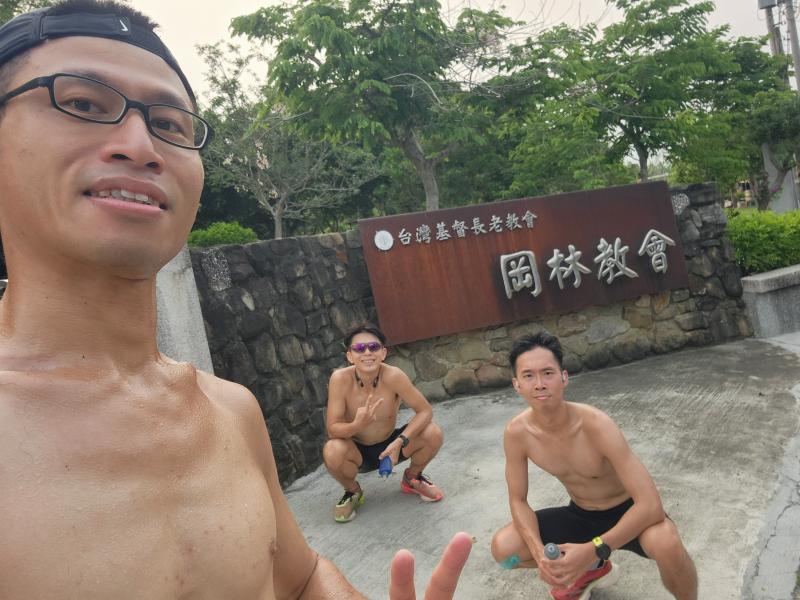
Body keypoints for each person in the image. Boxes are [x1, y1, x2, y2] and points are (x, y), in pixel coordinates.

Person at [0, 2, 471, 598]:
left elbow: (300, 580)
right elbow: (336, 430)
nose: (141, 145)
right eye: (83, 104)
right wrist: (357, 428)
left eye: (170, 124)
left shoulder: (229, 409)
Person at [490, 332, 698, 600]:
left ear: (564, 377)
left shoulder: (596, 425)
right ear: (516, 384)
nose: (540, 384)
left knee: (667, 543)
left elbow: (650, 505)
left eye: (548, 373)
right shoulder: (517, 433)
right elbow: (518, 501)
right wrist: (539, 552)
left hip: (629, 514)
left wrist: (593, 549)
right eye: (528, 375)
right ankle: (592, 570)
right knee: (504, 552)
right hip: (581, 515)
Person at [324, 325, 445, 522]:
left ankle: (412, 478)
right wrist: (357, 425)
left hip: (392, 444)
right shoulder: (340, 379)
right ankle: (353, 491)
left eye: (373, 347)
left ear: (383, 353)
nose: (367, 353)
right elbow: (333, 429)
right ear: (350, 356)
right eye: (359, 348)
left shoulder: (394, 376)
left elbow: (425, 411)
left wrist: (400, 441)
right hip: (357, 450)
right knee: (332, 450)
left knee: (433, 433)